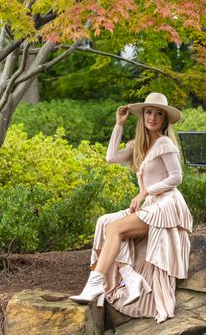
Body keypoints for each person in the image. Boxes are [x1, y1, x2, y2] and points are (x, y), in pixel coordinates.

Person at [69, 92, 192, 323]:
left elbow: (177, 178)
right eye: (148, 112)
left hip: (167, 205)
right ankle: (128, 277)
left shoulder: (165, 143)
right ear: (142, 115)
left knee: (116, 229)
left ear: (164, 120)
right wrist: (118, 124)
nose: (152, 118)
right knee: (104, 222)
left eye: (158, 114)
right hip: (152, 204)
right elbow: (111, 158)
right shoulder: (139, 145)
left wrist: (145, 192)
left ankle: (94, 285)